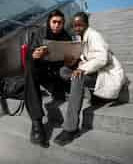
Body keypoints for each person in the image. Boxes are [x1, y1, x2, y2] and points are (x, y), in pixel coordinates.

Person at [54, 12, 126, 146]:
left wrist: (82, 69)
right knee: (63, 71)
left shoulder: (94, 35)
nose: (77, 28)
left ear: (87, 24)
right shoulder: (80, 37)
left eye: (80, 25)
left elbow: (102, 59)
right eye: (75, 25)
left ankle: (70, 128)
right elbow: (86, 58)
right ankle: (96, 95)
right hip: (96, 73)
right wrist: (75, 62)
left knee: (77, 77)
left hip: (108, 74)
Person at [24, 9, 72, 147]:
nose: (57, 25)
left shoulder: (67, 37)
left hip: (58, 76)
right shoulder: (39, 34)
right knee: (30, 68)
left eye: (60, 23)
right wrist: (34, 55)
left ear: (63, 24)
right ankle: (37, 123)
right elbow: (29, 55)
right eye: (54, 22)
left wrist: (70, 61)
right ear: (49, 22)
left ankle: (57, 91)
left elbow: (70, 60)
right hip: (43, 73)